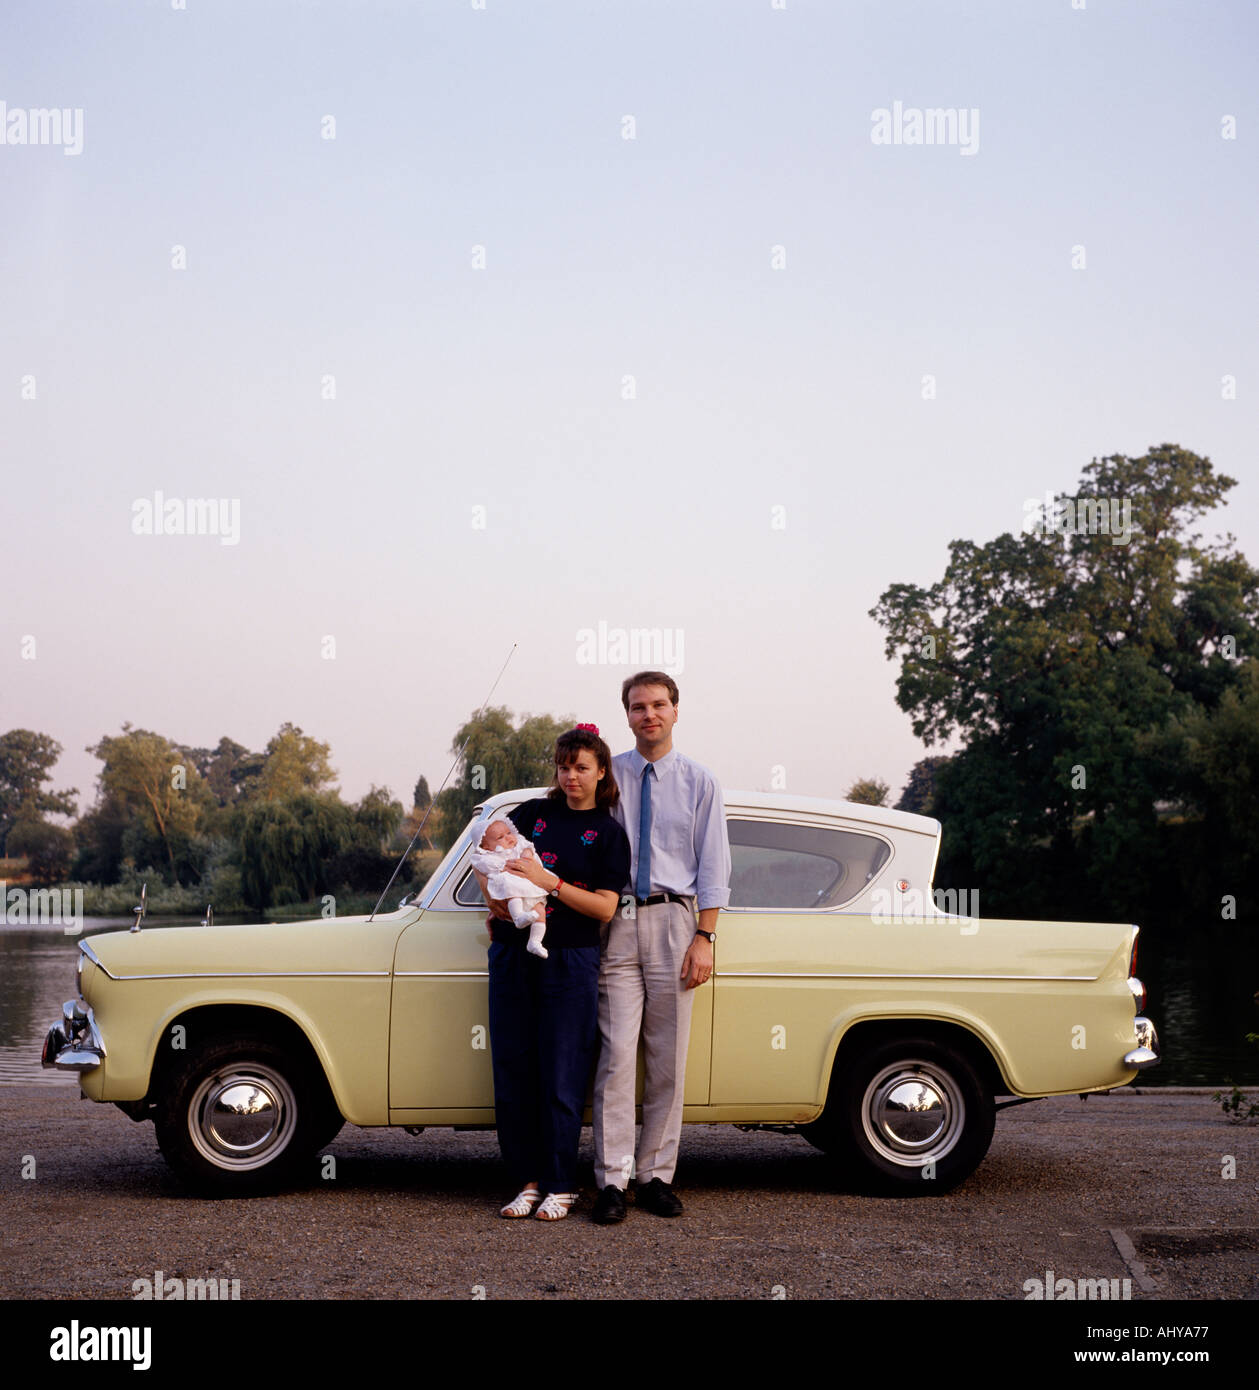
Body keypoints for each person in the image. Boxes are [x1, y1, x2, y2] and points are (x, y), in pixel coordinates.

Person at [591, 671, 731, 1224]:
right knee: (617, 1056)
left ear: (676, 711)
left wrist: (706, 936)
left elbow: (715, 865)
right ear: (626, 716)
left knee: (668, 1060)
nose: (648, 714)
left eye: (658, 705)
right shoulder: (611, 777)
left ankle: (655, 1177)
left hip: (677, 920)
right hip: (619, 919)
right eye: (637, 707)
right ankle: (611, 1179)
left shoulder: (701, 781)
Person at [475, 723, 630, 1221]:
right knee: (514, 1070)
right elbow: (484, 859)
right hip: (511, 953)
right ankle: (526, 1181)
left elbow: (605, 909)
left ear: (600, 771)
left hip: (571, 959)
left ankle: (562, 1183)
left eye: (582, 767)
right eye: (563, 767)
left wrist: (549, 883)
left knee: (562, 1074)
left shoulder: (608, 832)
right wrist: (494, 901)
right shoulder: (531, 814)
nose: (570, 777)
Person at [470, 816, 549, 957]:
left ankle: (535, 942)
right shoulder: (488, 856)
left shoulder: (519, 844)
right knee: (512, 889)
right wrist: (501, 865)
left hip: (529, 887)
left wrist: (527, 853)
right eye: (500, 837)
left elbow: (529, 847)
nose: (508, 838)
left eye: (508, 833)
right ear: (486, 847)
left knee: (540, 911)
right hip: (512, 888)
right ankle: (518, 917)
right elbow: (483, 865)